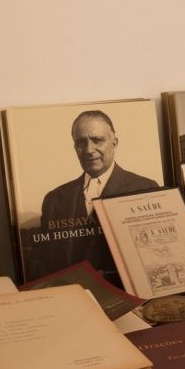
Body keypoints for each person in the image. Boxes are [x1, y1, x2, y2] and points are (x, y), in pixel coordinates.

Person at [33, 110, 159, 278]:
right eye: (81, 143)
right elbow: (43, 261)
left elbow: (155, 258)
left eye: (97, 140)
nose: (89, 150)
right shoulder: (54, 199)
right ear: (75, 148)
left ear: (114, 144)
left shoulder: (145, 189)